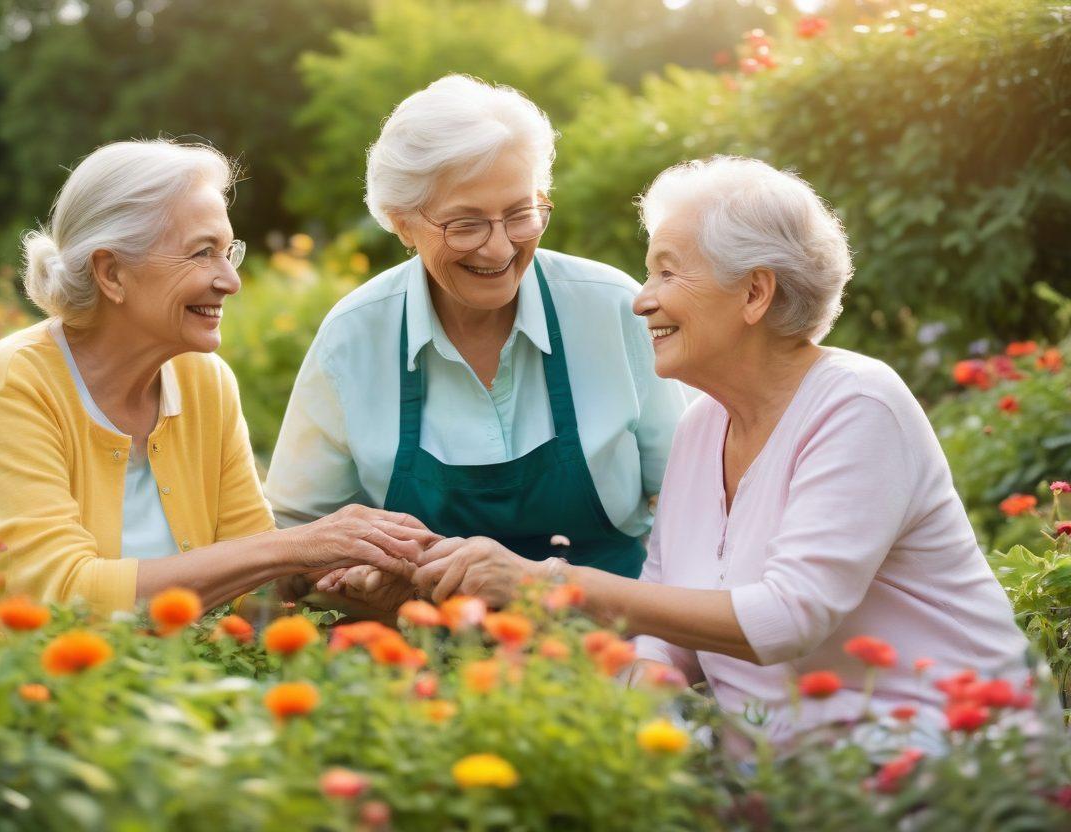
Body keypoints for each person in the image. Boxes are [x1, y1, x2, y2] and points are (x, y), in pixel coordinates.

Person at [411, 155, 1029, 737]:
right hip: (783, 781)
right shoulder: (703, 424)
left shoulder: (857, 406)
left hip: (942, 764)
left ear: (755, 293)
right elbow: (663, 622)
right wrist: (639, 701)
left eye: (668, 271)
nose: (641, 298)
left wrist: (546, 583)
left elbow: (788, 616)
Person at [0, 140, 433, 615]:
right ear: (111, 273)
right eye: (201, 253)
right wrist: (298, 545)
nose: (231, 281)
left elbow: (250, 582)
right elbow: (62, 594)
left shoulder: (203, 380)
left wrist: (332, 576)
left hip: (163, 690)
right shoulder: (17, 380)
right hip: (27, 690)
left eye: (228, 251)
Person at [265, 75, 689, 610]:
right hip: (420, 654)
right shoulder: (354, 337)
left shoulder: (611, 310)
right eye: (464, 224)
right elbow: (296, 539)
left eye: (519, 214)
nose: (497, 248)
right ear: (401, 223)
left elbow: (696, 502)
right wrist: (349, 579)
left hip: (609, 645)